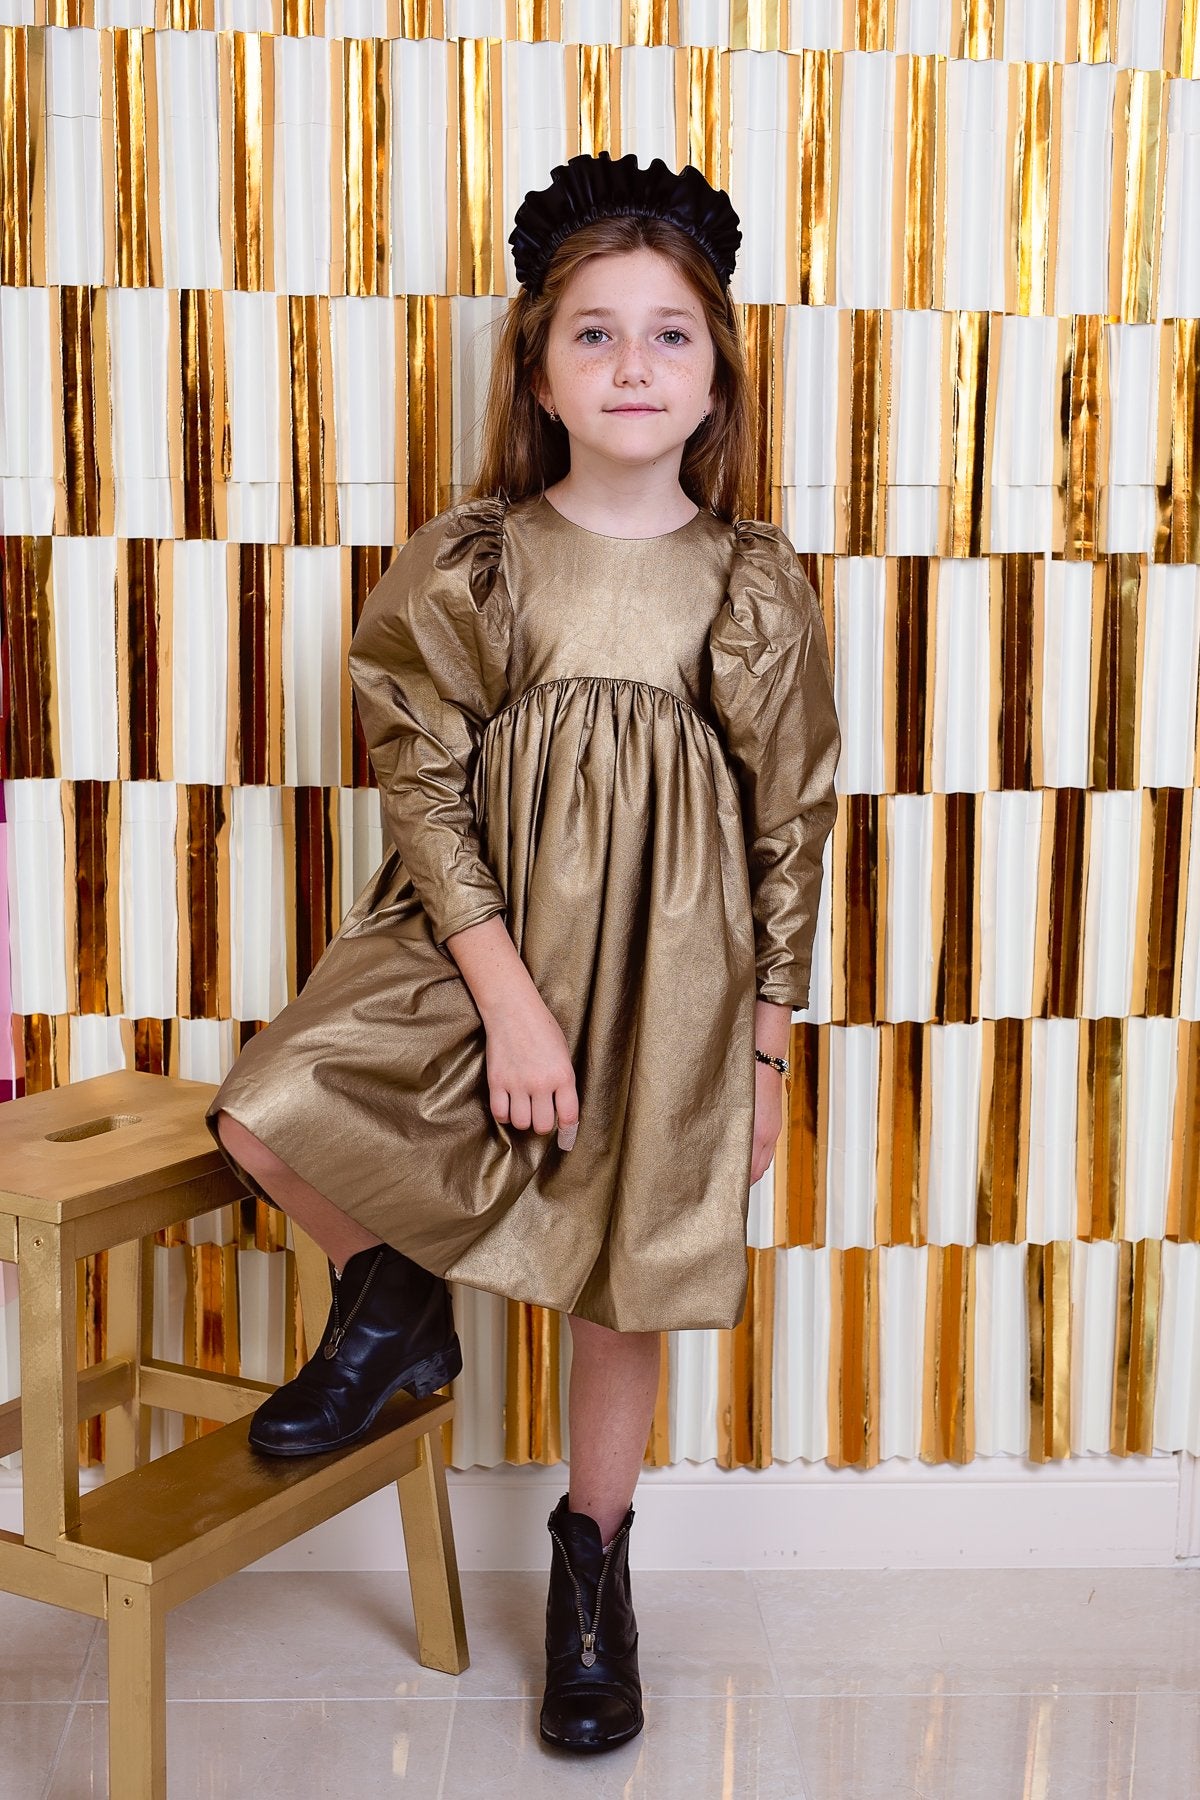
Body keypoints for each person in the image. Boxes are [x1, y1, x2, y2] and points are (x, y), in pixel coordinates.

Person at [207, 149, 841, 1756]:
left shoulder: (751, 582)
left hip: (675, 980)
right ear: (540, 373)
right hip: (481, 940)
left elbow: (790, 823)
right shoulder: (475, 558)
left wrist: (767, 1047)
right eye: (594, 333)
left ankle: (593, 1571)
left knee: (618, 1277)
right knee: (267, 1111)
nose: (634, 363)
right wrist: (505, 1001)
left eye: (671, 335)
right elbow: (418, 773)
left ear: (716, 377)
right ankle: (396, 1299)